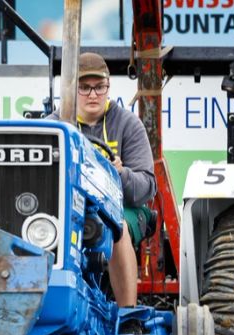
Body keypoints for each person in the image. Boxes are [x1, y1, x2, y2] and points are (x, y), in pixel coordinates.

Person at [52, 52, 157, 308]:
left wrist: (120, 174)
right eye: (84, 87)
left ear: (108, 87)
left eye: (99, 87)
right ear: (71, 90)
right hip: (68, 210)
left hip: (124, 209)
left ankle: (127, 312)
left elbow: (147, 187)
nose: (92, 94)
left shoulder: (128, 124)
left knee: (115, 227)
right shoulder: (53, 126)